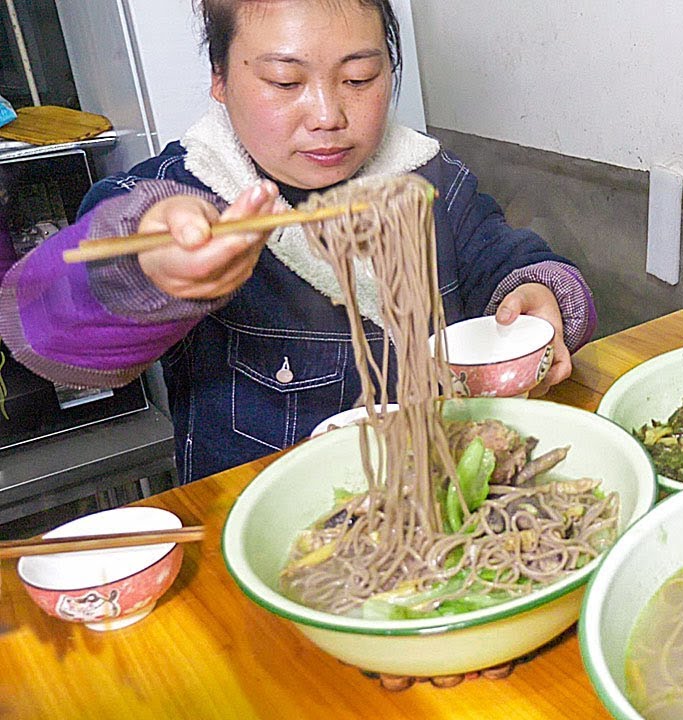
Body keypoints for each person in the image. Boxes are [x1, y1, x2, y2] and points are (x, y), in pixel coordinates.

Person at [0, 0, 595, 484]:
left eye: (359, 77)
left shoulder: (428, 179)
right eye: (286, 81)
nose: (328, 113)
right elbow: (45, 329)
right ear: (219, 79)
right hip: (269, 532)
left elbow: (510, 258)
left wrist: (542, 295)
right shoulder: (178, 193)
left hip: (449, 494)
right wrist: (145, 272)